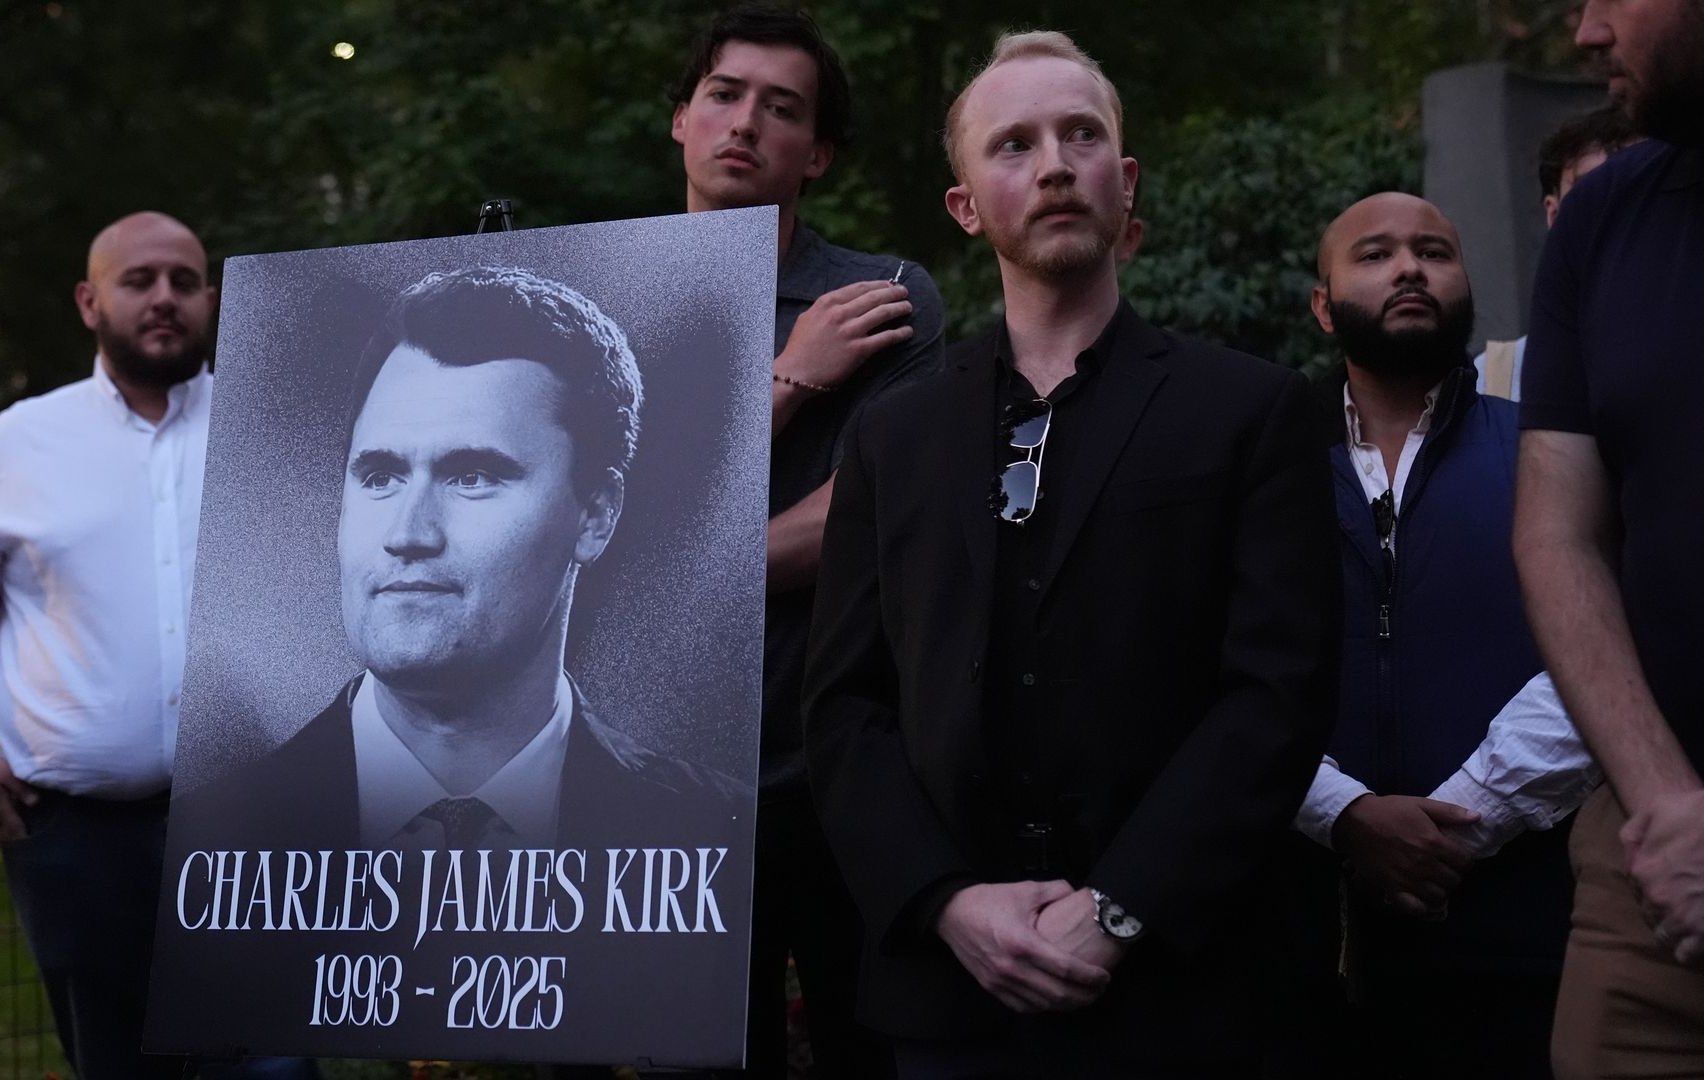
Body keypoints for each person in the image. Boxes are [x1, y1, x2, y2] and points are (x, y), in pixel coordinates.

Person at [802, 31, 1339, 1078]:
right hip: (949, 1005)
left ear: (1124, 180)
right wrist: (946, 901)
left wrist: (1124, 907)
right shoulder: (894, 434)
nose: (1053, 163)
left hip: (1189, 990)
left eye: (1081, 135)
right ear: (965, 207)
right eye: (1013, 144)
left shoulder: (1248, 410)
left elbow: (1279, 692)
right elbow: (846, 706)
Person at [0, 212, 315, 1080]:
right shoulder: (17, 444)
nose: (165, 299)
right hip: (76, 842)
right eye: (139, 281)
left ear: (211, 299)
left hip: (250, 827)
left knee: (273, 1066)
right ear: (90, 302)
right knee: (116, 1066)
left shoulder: (270, 431)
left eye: (185, 282)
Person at [174, 266, 749, 851]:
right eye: (380, 476)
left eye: (472, 476)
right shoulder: (217, 836)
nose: (407, 532)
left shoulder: (716, 830)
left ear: (596, 514)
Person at [669, 6, 943, 1076]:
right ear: (681, 120)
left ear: (816, 152)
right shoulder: (600, 291)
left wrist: (657, 571)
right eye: (726, 95)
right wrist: (789, 382)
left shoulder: (881, 298)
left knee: (860, 1046)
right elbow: (590, 525)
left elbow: (868, 521)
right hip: (655, 772)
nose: (747, 123)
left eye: (783, 109)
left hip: (834, 755)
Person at [1293, 192, 1588, 1078]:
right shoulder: (1259, 463)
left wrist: (1466, 818)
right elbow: (1202, 658)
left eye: (1434, 252)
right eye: (1375, 254)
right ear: (1323, 304)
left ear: (1469, 289)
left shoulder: (1551, 451)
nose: (1410, 268)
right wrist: (1341, 814)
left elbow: (1604, 646)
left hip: (1525, 938)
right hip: (1301, 948)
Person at [1513, 0, 1704, 1074]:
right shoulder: (1601, 222)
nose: (1584, 35)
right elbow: (1557, 535)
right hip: (1654, 879)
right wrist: (1671, 806)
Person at [1472, 106, 1637, 399]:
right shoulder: (1496, 378)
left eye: (1636, 184)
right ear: (1555, 213)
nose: (1615, 205)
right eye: (1592, 190)